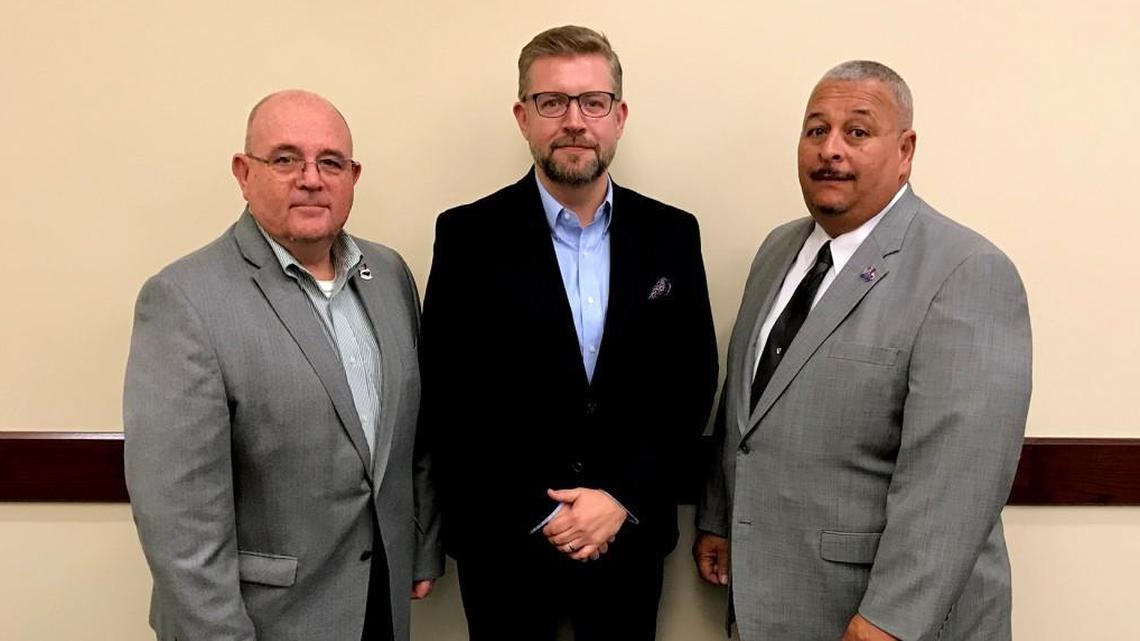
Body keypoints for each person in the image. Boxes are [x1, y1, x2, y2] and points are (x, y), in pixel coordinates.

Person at [694, 61, 1032, 641]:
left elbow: (956, 481)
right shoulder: (778, 251)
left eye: (857, 132)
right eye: (816, 130)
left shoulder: (967, 272)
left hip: (882, 617)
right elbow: (749, 406)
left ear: (905, 150)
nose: (830, 150)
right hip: (769, 598)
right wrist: (722, 518)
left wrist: (891, 620)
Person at [419, 25, 718, 641]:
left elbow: (690, 384)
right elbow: (450, 395)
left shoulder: (672, 235)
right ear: (524, 117)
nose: (574, 120)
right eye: (552, 102)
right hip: (505, 543)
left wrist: (620, 497)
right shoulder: (467, 236)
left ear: (619, 116)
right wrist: (546, 512)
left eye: (593, 102)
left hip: (627, 539)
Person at [123, 90, 442, 641]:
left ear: (353, 176)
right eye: (286, 159)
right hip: (262, 620)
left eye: (331, 162)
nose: (311, 178)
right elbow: (179, 520)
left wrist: (420, 546)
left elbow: (414, 435)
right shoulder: (185, 299)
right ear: (243, 173)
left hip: (380, 605)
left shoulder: (389, 275)